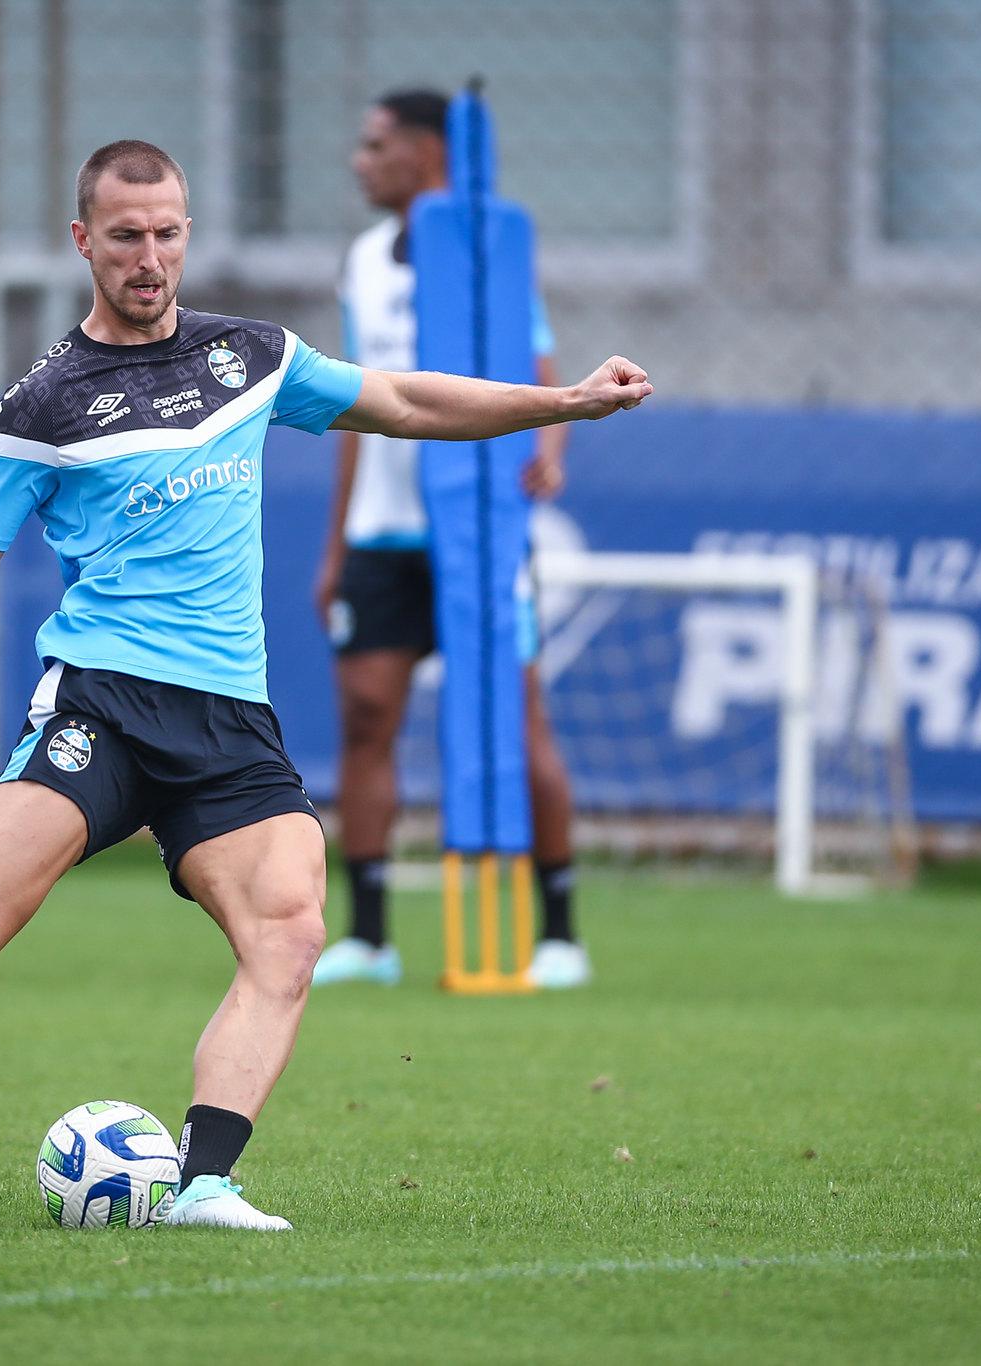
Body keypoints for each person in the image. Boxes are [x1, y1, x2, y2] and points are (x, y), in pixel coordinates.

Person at [0, 139, 651, 1231]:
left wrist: (560, 401)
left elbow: (404, 402)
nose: (149, 257)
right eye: (127, 235)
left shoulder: (249, 357)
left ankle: (202, 1182)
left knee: (286, 934)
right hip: (103, 704)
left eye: (167, 233)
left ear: (186, 231)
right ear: (82, 239)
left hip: (230, 718)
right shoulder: (42, 405)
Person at [311, 89, 588, 991]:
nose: (361, 160)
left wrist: (548, 452)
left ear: (430, 151)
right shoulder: (360, 259)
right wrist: (334, 546)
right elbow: (356, 406)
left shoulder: (486, 248)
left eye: (376, 143)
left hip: (474, 531)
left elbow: (541, 374)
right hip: (381, 536)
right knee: (365, 719)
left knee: (517, 719)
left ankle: (557, 933)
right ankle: (370, 936)